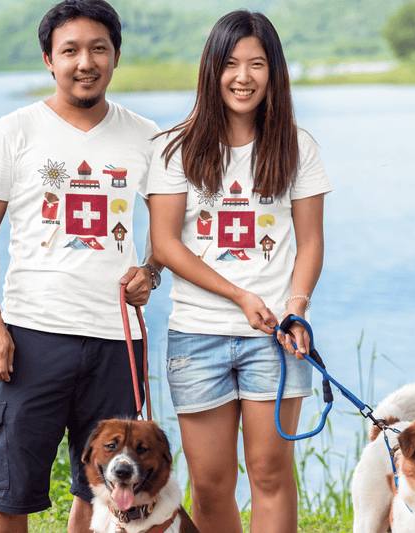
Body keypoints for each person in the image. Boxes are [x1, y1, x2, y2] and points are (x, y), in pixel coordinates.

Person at [0, 1, 162, 531]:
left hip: (118, 339)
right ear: (48, 59)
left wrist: (151, 269)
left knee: (107, 492)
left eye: (99, 48)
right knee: (10, 491)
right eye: (70, 50)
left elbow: (169, 231)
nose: (85, 61)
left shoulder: (147, 136)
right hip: (32, 337)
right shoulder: (13, 131)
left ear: (116, 56)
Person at [147, 10, 332, 533]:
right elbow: (164, 243)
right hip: (196, 336)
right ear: (211, 70)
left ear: (274, 71)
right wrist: (238, 295)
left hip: (276, 337)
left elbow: (312, 243)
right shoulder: (173, 148)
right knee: (210, 483)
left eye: (256, 63)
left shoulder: (299, 145)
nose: (243, 76)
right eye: (230, 64)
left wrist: (295, 310)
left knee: (272, 474)